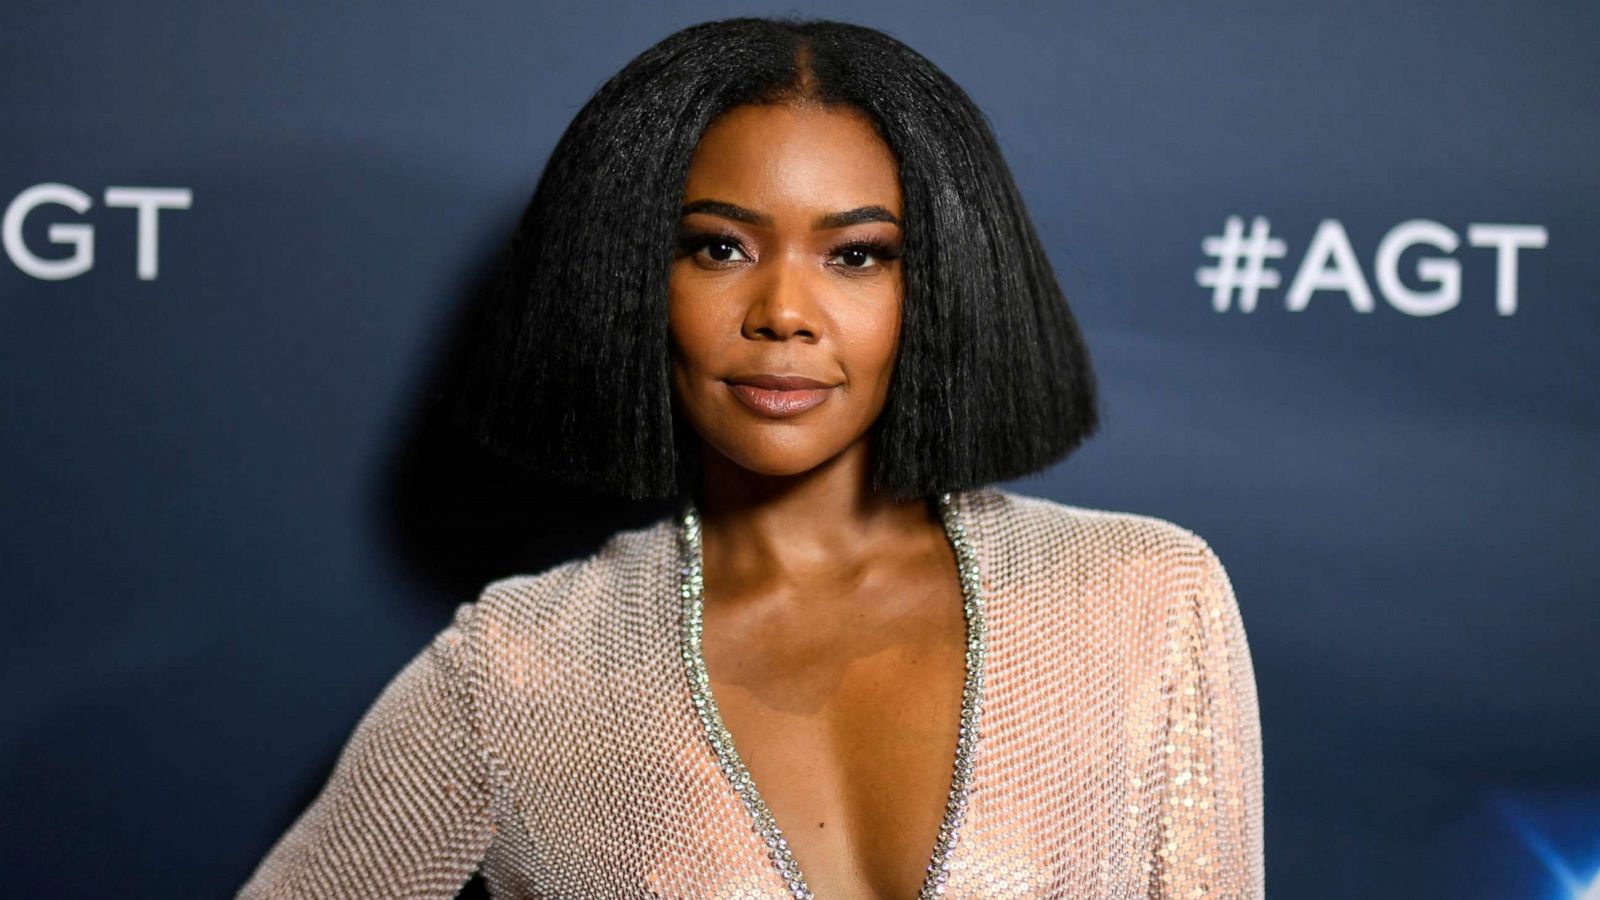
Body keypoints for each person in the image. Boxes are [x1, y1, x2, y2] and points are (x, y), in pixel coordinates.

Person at [238, 15, 1263, 900]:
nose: (781, 313)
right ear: (634, 275)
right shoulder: (517, 668)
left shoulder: (1140, 595)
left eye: (855, 255)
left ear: (939, 286)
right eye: (718, 247)